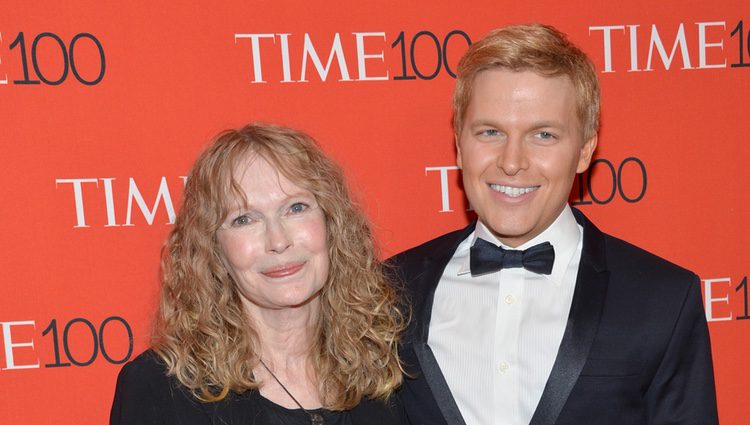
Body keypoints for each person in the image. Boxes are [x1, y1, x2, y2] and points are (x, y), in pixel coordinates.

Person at [390, 24, 719, 425]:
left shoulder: (663, 300)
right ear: (459, 145)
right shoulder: (389, 294)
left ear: (584, 151)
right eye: (490, 132)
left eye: (543, 135)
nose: (512, 161)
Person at [110, 124, 407, 425]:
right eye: (244, 219)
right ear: (213, 249)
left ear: (332, 223)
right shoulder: (161, 390)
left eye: (296, 207)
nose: (277, 240)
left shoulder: (389, 370)